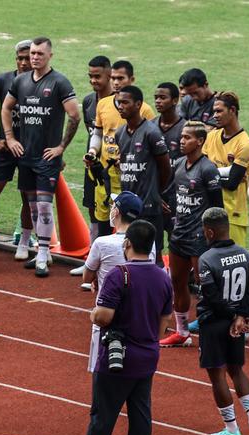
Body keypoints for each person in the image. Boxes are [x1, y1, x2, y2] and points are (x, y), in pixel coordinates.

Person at [53, 219, 172, 435]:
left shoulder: (120, 274)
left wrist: (93, 314)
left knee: (103, 414)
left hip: (119, 354)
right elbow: (163, 323)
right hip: (148, 353)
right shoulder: (163, 277)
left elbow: (105, 316)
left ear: (127, 243)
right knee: (141, 413)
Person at [0, 36, 81, 278]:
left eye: (39, 54)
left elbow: (75, 115)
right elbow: (6, 107)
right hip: (26, 156)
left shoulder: (59, 82)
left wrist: (61, 148)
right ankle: (41, 250)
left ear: (50, 56)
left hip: (47, 158)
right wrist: (10, 138)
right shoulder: (21, 81)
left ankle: (44, 254)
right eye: (33, 53)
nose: (34, 57)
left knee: (44, 205)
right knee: (33, 207)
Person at [70, 191, 142, 435]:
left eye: (113, 205)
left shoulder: (103, 242)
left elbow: (86, 277)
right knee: (138, 384)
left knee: (101, 381)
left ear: (118, 212)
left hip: (106, 318)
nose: (110, 208)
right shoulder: (148, 242)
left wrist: (92, 283)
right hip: (136, 318)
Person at [196, 207, 249, 435]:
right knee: (237, 370)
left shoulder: (206, 259)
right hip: (237, 324)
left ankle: (232, 429)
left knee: (217, 376)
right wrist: (241, 316)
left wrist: (231, 316)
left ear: (209, 232)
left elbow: (212, 296)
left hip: (214, 323)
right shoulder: (246, 254)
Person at [78, 61, 154, 275]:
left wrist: (130, 158)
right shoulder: (103, 104)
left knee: (131, 222)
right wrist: (93, 152)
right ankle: (99, 266)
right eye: (113, 78)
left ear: (131, 80)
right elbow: (98, 133)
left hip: (130, 177)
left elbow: (151, 143)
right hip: (105, 174)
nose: (116, 82)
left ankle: (133, 267)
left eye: (121, 78)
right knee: (103, 220)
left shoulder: (145, 110)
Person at [161, 121, 222, 347]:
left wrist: (213, 236)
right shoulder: (178, 164)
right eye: (182, 137)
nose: (181, 141)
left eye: (187, 137)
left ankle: (214, 329)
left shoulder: (208, 169)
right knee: (178, 283)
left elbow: (218, 207)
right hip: (179, 235)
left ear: (200, 141)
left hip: (200, 237)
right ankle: (182, 331)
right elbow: (168, 192)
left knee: (205, 286)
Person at [0, 40, 34, 259]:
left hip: (31, 150)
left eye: (27, 58)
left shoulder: (45, 83)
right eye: (19, 58)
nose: (23, 63)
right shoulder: (3, 80)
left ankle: (23, 242)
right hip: (5, 149)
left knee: (28, 198)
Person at [113, 86, 172, 258]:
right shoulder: (120, 133)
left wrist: (156, 193)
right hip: (128, 205)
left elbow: (165, 168)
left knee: (154, 253)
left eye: (125, 102)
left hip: (148, 207)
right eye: (118, 102)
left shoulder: (151, 132)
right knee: (129, 250)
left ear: (138, 104)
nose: (120, 106)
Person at [202, 91, 249, 248]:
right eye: (214, 111)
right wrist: (222, 172)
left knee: (231, 261)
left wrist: (210, 175)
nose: (215, 115)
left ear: (232, 110)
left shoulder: (244, 144)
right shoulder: (211, 137)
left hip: (233, 216)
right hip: (209, 211)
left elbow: (232, 182)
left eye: (219, 111)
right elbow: (200, 170)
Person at [80, 55, 114, 239]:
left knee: (116, 209)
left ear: (109, 74)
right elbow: (92, 132)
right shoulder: (88, 101)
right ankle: (93, 252)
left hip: (112, 167)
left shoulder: (119, 102)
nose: (93, 80)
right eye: (90, 76)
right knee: (91, 205)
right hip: (92, 164)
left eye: (97, 76)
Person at [153, 83, 185, 159]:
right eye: (156, 98)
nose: (157, 101)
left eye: (162, 98)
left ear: (175, 100)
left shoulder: (185, 127)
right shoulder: (150, 126)